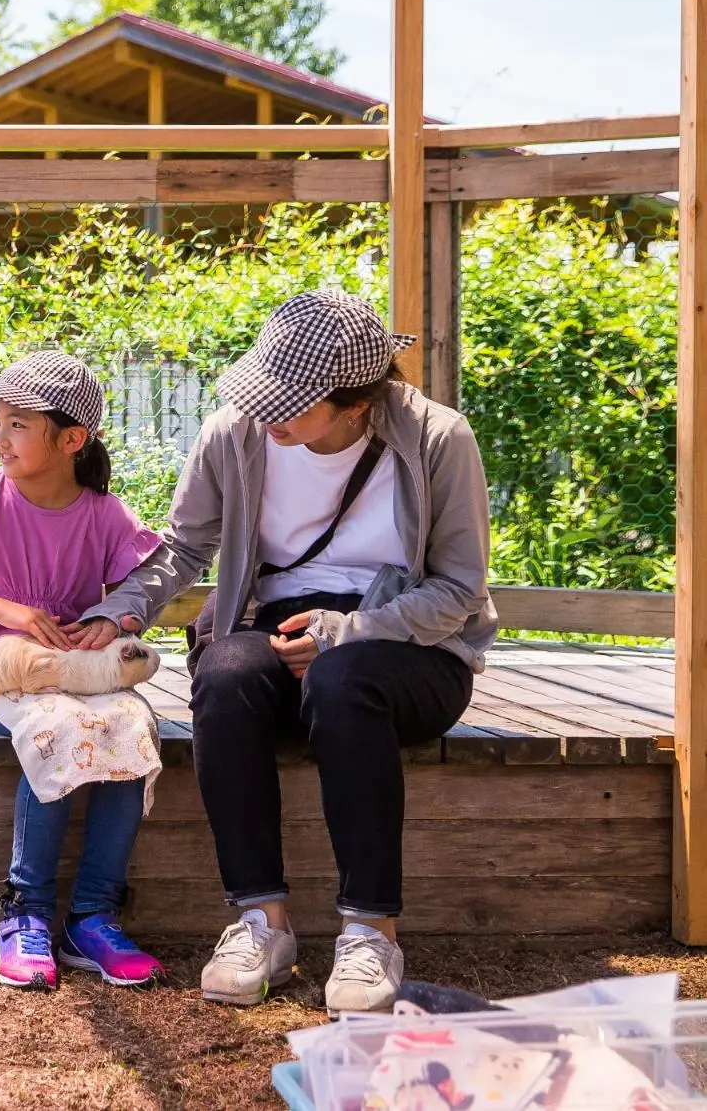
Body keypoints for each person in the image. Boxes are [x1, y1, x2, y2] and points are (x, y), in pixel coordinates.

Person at [86, 290, 496, 1014]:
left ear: (356, 402)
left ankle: (370, 931)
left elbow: (458, 589)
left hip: (409, 642)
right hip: (277, 621)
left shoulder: (438, 437)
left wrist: (345, 631)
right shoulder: (235, 433)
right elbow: (183, 545)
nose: (267, 413)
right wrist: (119, 608)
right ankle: (259, 923)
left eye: (291, 403)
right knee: (223, 671)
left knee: (341, 678)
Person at [0, 350, 171, 991]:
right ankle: (27, 913)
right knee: (59, 726)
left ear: (71, 439)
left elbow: (142, 586)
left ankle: (94, 916)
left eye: (18, 424)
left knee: (131, 721)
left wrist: (113, 621)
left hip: (70, 669)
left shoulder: (103, 513)